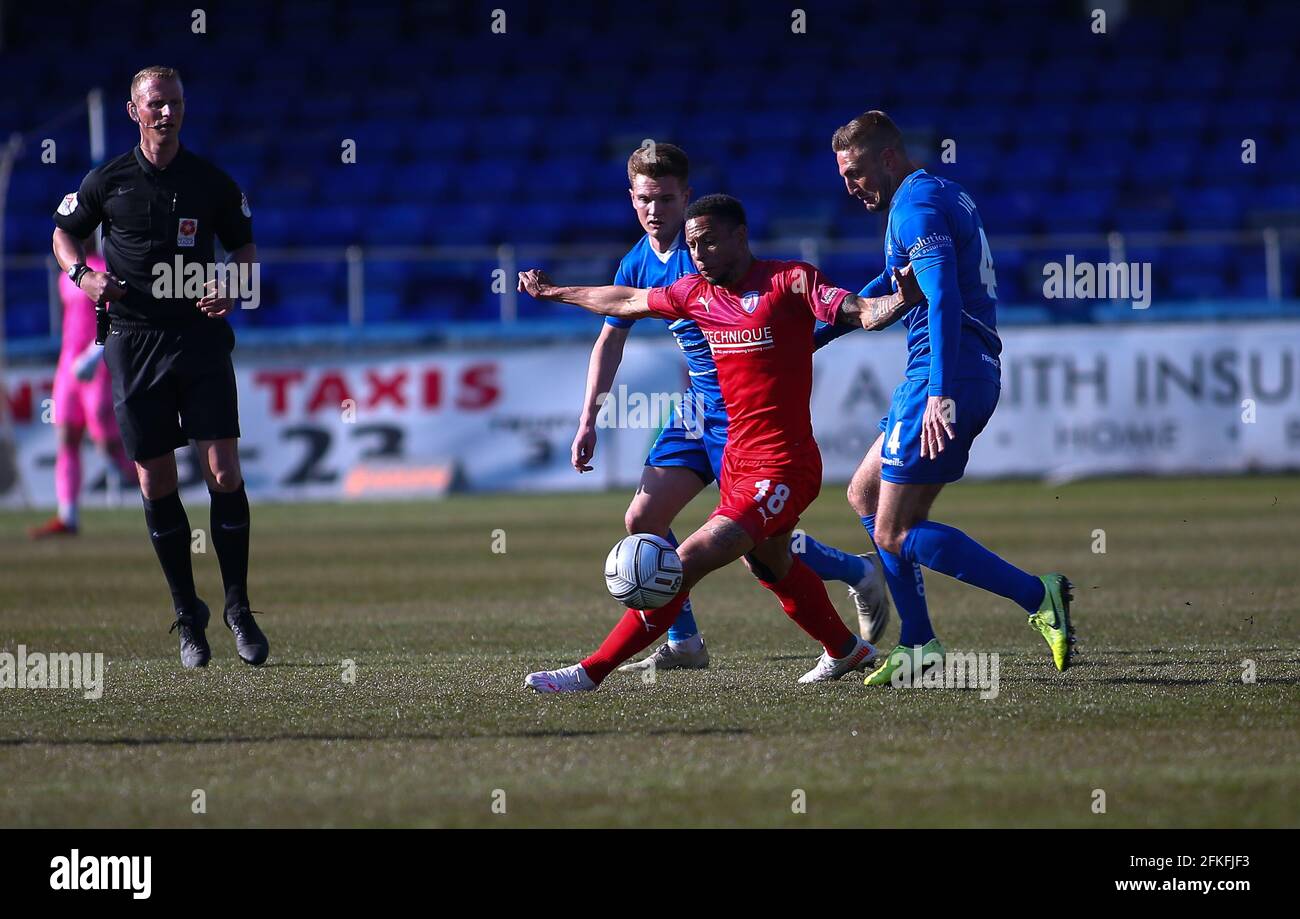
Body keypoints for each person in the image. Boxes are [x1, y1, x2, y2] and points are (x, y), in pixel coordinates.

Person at [518, 194, 923, 692]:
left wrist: (900, 299)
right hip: (736, 463)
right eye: (693, 244)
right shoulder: (694, 294)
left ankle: (590, 672)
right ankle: (846, 649)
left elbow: (860, 310)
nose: (701, 253)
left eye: (709, 241)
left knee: (677, 565)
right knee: (772, 561)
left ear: (740, 235)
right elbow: (625, 301)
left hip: (784, 466)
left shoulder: (790, 280)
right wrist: (557, 292)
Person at [820, 110, 1075, 684]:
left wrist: (938, 393)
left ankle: (1038, 595)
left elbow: (939, 299)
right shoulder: (936, 195)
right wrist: (808, 336)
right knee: (865, 494)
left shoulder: (916, 208)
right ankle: (919, 644)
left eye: (856, 172)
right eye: (843, 176)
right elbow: (888, 292)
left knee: (894, 532)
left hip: (946, 374)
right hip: (956, 371)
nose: (850, 186)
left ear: (888, 157)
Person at [51, 65, 268, 669]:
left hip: (199, 340)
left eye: (174, 103)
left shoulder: (211, 183)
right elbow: (63, 236)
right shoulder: (108, 181)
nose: (166, 113)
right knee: (156, 481)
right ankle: (186, 615)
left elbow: (246, 249)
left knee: (223, 471)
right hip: (131, 340)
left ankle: (238, 608)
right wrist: (85, 275)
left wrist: (233, 282)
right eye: (156, 104)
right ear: (134, 111)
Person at [28, 237, 137, 538]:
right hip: (69, 365)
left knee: (108, 443)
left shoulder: (105, 271)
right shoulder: (69, 273)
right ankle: (69, 515)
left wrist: (94, 354)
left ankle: (155, 493)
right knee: (67, 435)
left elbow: (117, 319)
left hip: (96, 364)